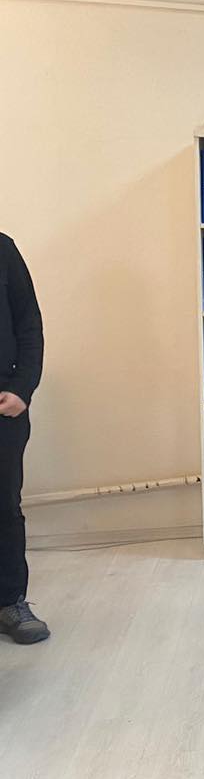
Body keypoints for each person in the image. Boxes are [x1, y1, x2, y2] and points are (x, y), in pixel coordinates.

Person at [0, 231, 47, 645]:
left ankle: (11, 602)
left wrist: (22, 388)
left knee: (4, 507)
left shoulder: (3, 249)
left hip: (3, 405)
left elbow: (29, 325)